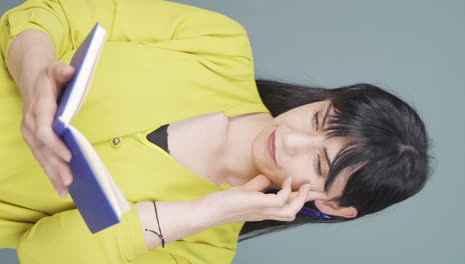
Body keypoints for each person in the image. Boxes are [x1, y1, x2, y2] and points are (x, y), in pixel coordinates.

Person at [0, 0, 430, 263]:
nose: (292, 139)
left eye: (319, 163)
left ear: (333, 207)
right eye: (317, 119)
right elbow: (49, 13)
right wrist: (35, 70)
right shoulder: (220, 42)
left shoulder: (202, 251)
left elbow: (43, 254)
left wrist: (202, 214)